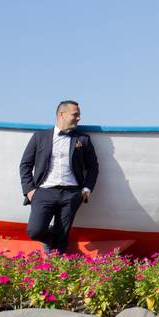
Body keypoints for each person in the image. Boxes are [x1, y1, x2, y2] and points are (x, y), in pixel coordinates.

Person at [19, 100, 99, 254]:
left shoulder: (83, 139)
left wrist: (86, 190)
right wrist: (29, 190)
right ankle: (51, 242)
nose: (79, 118)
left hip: (71, 193)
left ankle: (56, 270)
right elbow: (25, 165)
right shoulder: (39, 137)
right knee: (35, 231)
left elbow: (93, 167)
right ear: (61, 115)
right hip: (44, 192)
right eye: (75, 114)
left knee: (62, 237)